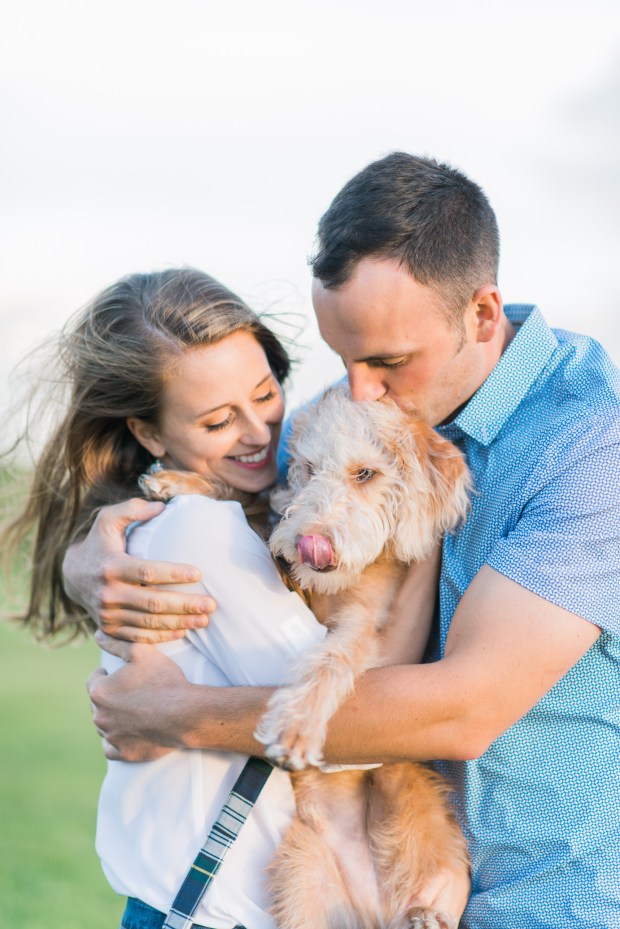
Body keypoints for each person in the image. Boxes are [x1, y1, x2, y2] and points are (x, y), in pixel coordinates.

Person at [73, 154, 619, 928]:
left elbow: (462, 709)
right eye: (343, 359)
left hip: (549, 900)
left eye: (387, 361)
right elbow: (234, 519)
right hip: (361, 879)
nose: (356, 388)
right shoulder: (352, 412)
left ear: (482, 314)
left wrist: (177, 713)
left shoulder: (591, 448)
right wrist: (87, 558)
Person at [3, 267, 439, 929]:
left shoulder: (230, 500)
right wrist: (423, 541)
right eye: (217, 420)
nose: (260, 433)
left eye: (265, 394)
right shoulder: (204, 532)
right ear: (150, 435)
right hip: (211, 910)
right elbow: (361, 726)